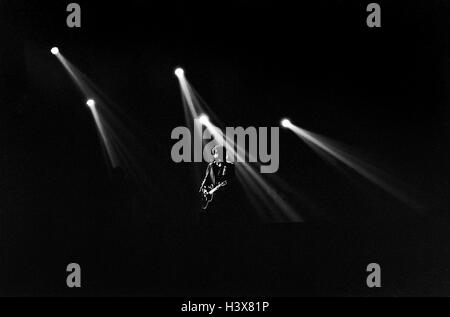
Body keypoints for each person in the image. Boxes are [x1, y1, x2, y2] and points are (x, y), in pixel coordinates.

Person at [199, 145, 235, 211]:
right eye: (215, 153)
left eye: (217, 152)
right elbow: (206, 181)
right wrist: (205, 191)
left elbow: (232, 183)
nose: (214, 155)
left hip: (225, 201)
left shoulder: (230, 166)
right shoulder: (211, 166)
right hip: (212, 202)